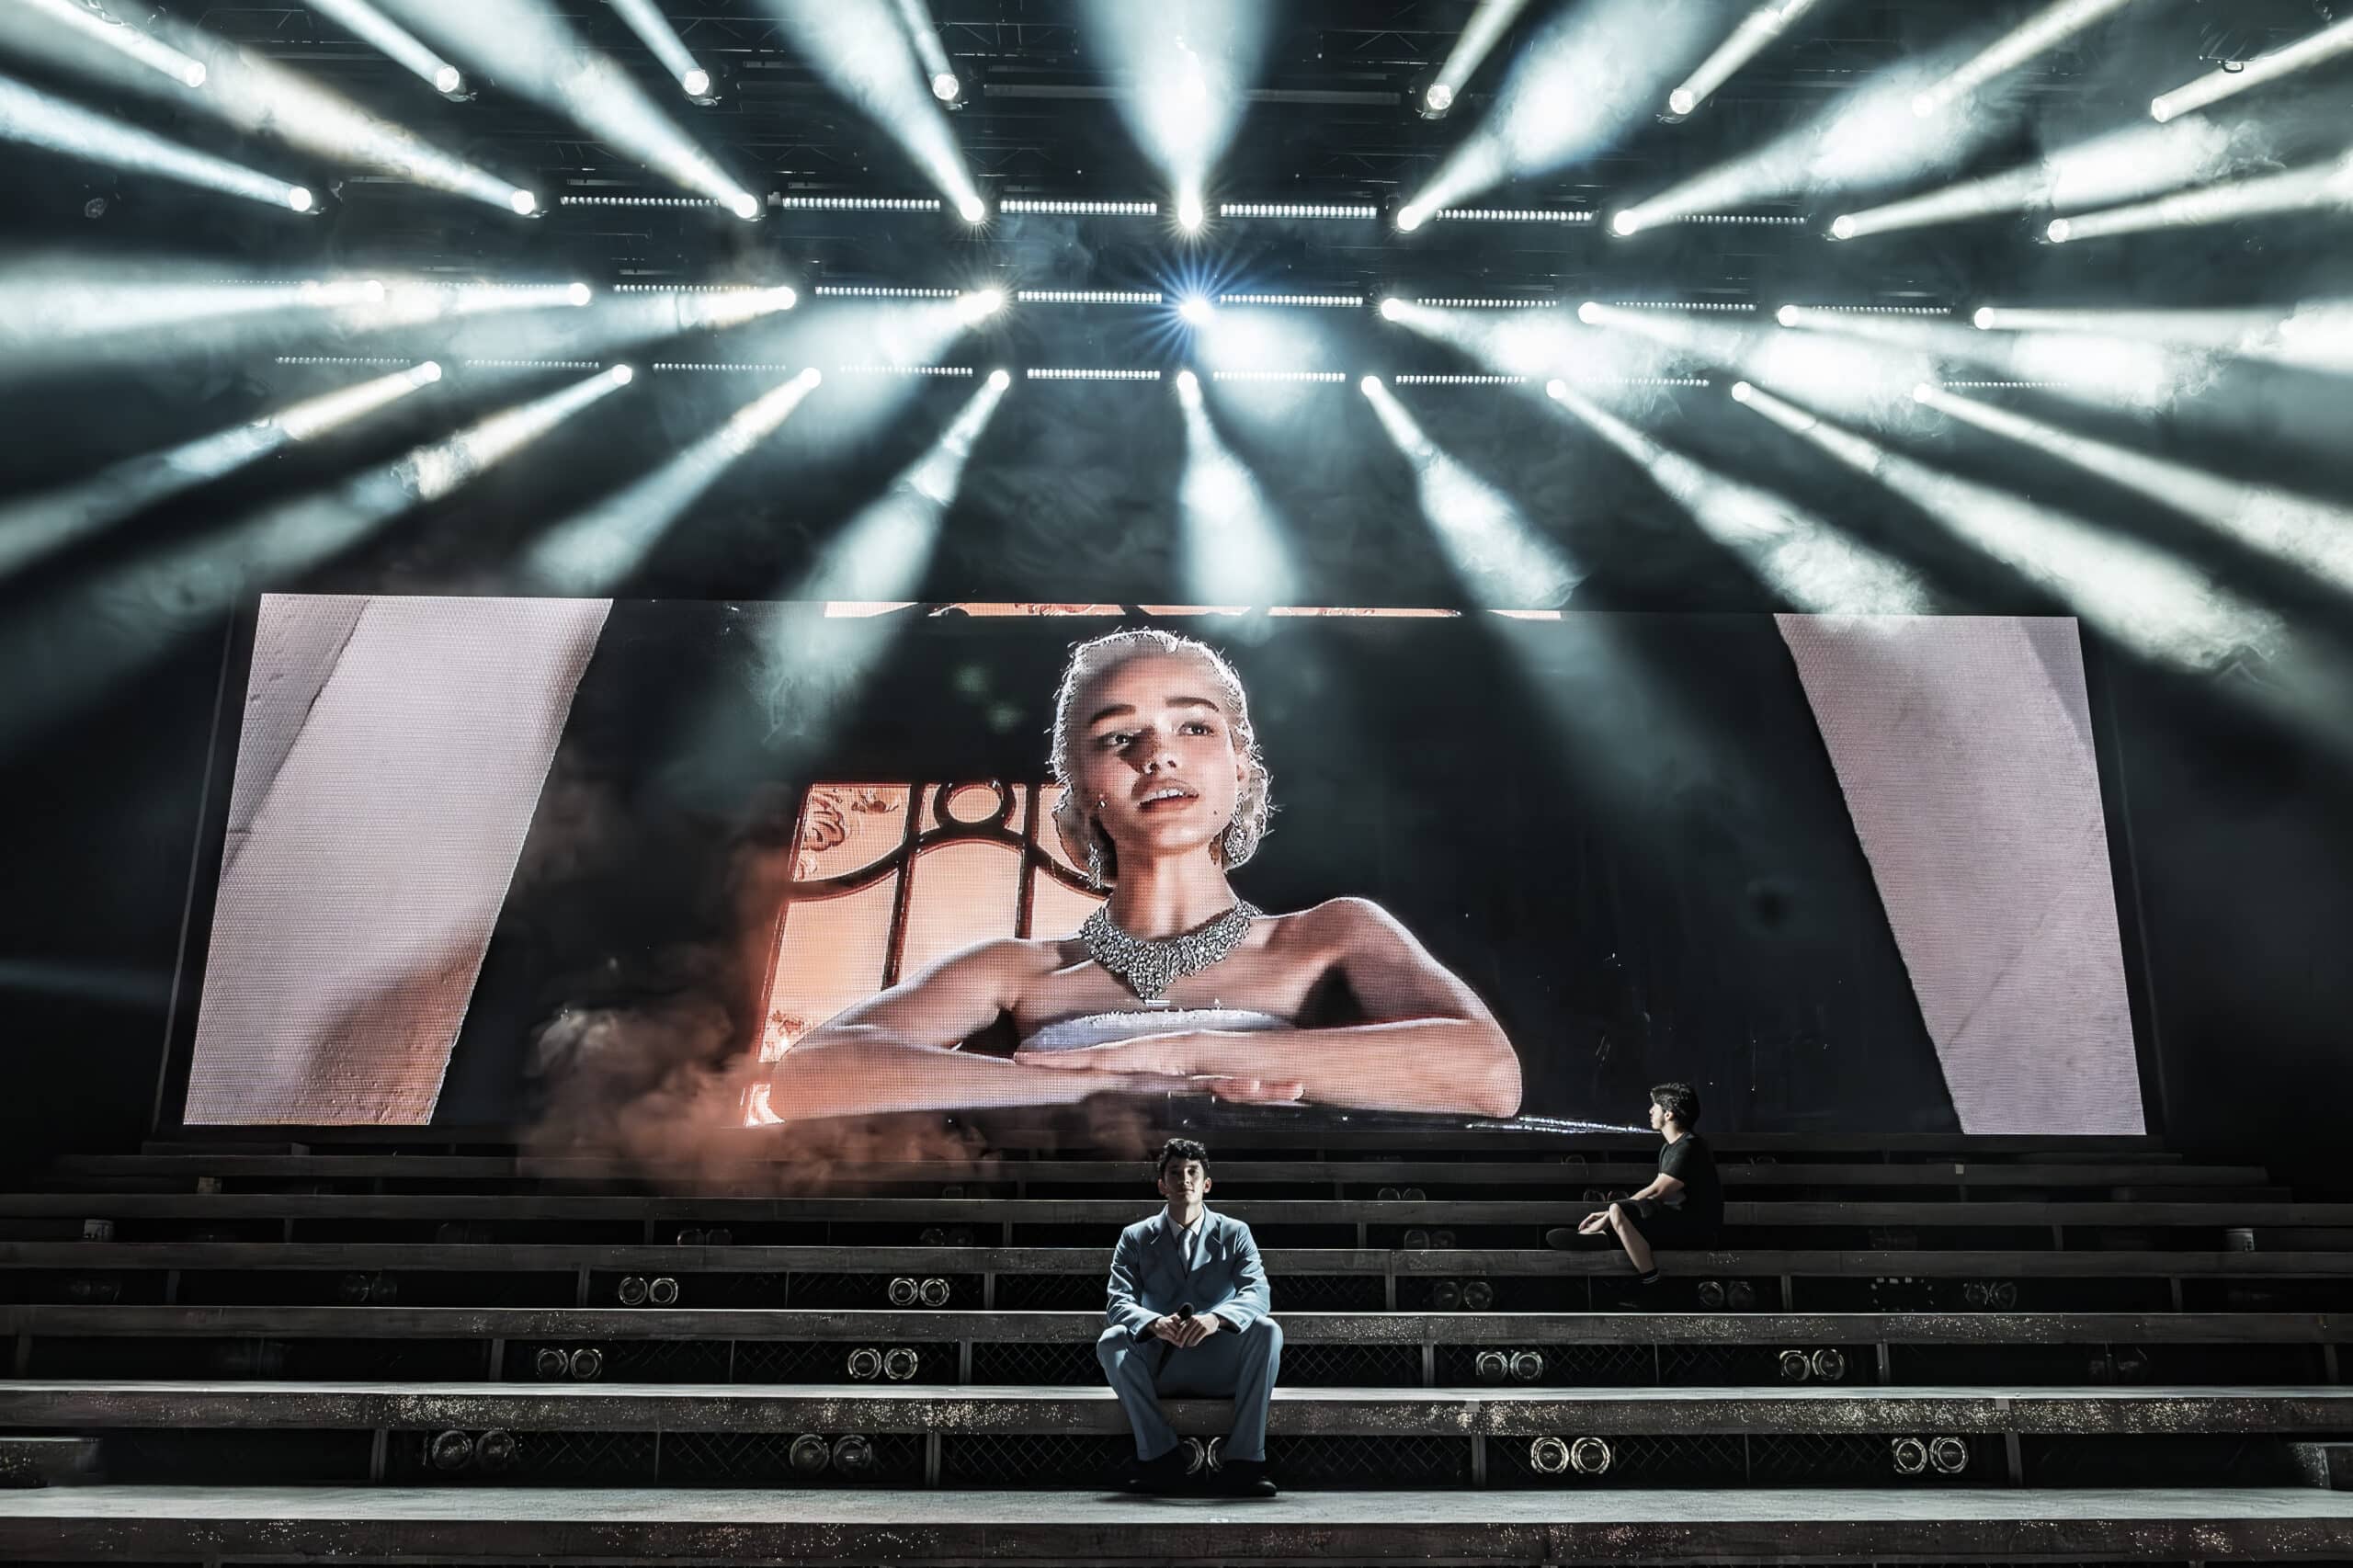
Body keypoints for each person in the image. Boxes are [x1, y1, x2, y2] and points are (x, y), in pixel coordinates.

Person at [766, 628, 1524, 1119]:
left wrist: (1186, 1052)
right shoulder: (1018, 970)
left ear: (1239, 765)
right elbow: (811, 1076)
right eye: (1117, 736)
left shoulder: (1330, 934)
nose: (1158, 755)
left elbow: (1488, 1074)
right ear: (1083, 786)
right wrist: (1105, 1084)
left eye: (1194, 726)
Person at [1097, 1138, 1282, 1496]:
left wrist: (1216, 1319)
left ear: (1206, 1184)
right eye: (1175, 1173)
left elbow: (1258, 1294)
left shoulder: (1235, 1232)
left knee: (1267, 1331)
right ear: (1162, 1185)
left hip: (1219, 1360)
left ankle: (1245, 1463)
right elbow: (1118, 1301)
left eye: (1193, 1172)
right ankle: (1160, 1459)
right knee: (1112, 1341)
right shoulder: (1134, 1237)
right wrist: (1154, 1324)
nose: (1185, 1180)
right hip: (1161, 1363)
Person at [1545, 1082, 1722, 1284]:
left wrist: (1611, 1213)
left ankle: (1651, 1280)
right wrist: (1612, 1214)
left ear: (1668, 1114)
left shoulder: (1690, 1147)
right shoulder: (1670, 1148)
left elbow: (1657, 1192)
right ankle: (1599, 1238)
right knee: (1624, 1218)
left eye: (1655, 1106)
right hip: (1679, 1224)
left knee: (1622, 1211)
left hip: (1698, 1231)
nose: (1650, 1111)